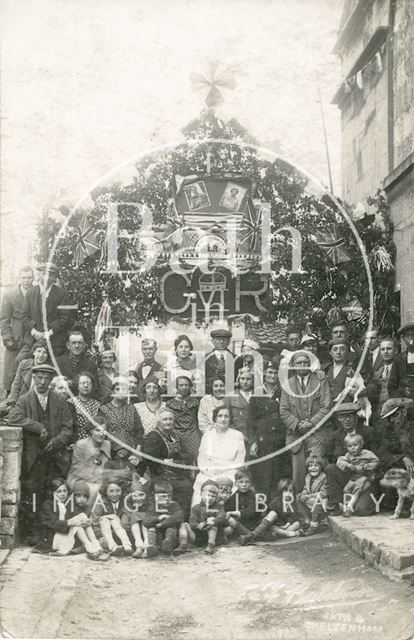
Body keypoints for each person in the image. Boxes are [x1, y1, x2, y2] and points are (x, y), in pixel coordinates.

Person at [7, 363, 73, 542]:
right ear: (34, 378)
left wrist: (56, 441)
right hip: (34, 458)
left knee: (52, 494)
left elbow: (68, 428)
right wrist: (37, 427)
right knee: (33, 494)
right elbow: (13, 417)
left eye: (47, 378)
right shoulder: (25, 400)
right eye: (40, 378)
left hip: (54, 457)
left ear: (51, 381)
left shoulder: (60, 401)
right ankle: (33, 534)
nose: (43, 382)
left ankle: (52, 532)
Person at [280, 351, 331, 492]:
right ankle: (299, 507)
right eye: (299, 363)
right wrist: (297, 424)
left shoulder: (320, 381)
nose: (302, 366)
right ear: (293, 365)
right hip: (296, 436)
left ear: (310, 365)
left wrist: (312, 423)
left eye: (305, 363)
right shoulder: (287, 384)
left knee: (316, 470)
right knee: (298, 475)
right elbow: (283, 410)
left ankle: (317, 506)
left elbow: (326, 406)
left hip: (317, 434)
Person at [138, 409, 193, 519]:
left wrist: (176, 459)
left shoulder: (174, 435)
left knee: (187, 486)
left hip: (177, 474)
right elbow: (149, 459)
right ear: (159, 421)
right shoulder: (153, 436)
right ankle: (167, 520)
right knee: (179, 487)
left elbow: (185, 454)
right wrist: (164, 461)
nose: (168, 422)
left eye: (170, 419)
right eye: (165, 419)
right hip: (160, 475)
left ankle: (182, 520)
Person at [36, 478, 109, 560]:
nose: (62, 494)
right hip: (53, 538)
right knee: (76, 523)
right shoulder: (48, 504)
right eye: (59, 491)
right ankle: (90, 548)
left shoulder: (69, 503)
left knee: (81, 516)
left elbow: (77, 518)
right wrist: (70, 522)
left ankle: (95, 545)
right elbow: (53, 523)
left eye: (64, 491)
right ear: (52, 492)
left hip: (67, 536)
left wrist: (87, 522)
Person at [248, 361, 289, 500]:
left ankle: (275, 510)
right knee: (262, 478)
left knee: (277, 476)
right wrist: (253, 441)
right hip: (262, 442)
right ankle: (262, 511)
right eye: (269, 372)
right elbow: (251, 421)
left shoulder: (283, 392)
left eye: (275, 372)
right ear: (264, 374)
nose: (272, 375)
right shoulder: (257, 393)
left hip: (279, 441)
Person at [193, 405, 246, 503]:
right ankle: (198, 516)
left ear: (230, 419)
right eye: (220, 416)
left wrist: (224, 472)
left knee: (226, 488)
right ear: (215, 418)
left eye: (226, 416)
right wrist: (208, 471)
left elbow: (239, 461)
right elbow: (201, 458)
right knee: (202, 488)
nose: (223, 419)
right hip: (209, 472)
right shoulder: (208, 435)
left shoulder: (237, 435)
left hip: (229, 473)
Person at [20, 262, 72, 360]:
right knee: (20, 360)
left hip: (54, 341)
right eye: (44, 274)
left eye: (51, 274)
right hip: (33, 340)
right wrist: (34, 332)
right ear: (39, 274)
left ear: (55, 277)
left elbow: (64, 318)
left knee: (55, 364)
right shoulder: (31, 292)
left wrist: (48, 334)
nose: (47, 278)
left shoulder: (61, 294)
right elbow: (24, 315)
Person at [0, 265, 34, 393]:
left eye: (29, 277)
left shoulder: (36, 293)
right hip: (16, 336)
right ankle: (10, 395)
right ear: (19, 278)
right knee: (11, 368)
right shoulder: (9, 295)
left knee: (28, 367)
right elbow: (4, 319)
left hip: (31, 335)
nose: (26, 281)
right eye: (23, 278)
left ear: (33, 278)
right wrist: (8, 338)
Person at [66, 415, 112, 499]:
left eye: (104, 431)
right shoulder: (81, 445)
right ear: (91, 431)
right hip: (79, 480)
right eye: (97, 430)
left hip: (100, 479)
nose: (101, 434)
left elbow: (104, 466)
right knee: (95, 491)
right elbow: (78, 470)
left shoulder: (107, 444)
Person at [336, 434, 379, 516]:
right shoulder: (348, 455)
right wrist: (348, 465)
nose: (352, 448)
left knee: (357, 490)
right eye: (349, 446)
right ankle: (346, 505)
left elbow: (376, 461)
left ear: (361, 444)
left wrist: (366, 466)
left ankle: (349, 508)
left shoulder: (367, 453)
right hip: (355, 476)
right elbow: (339, 461)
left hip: (368, 475)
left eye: (355, 445)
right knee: (346, 489)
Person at [91, 478, 133, 556]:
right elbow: (95, 524)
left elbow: (127, 522)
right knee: (104, 519)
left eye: (118, 490)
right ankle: (113, 546)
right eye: (111, 491)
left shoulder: (125, 502)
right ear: (106, 492)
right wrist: (100, 536)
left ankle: (127, 545)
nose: (115, 494)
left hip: (123, 533)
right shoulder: (101, 503)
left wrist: (115, 518)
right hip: (106, 534)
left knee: (113, 519)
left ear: (122, 490)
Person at [100, 377, 144, 452]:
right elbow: (100, 433)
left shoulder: (131, 409)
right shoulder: (103, 409)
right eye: (117, 389)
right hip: (110, 450)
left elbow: (139, 431)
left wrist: (137, 452)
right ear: (113, 391)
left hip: (130, 450)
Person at [142, 480, 184, 556]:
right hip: (158, 535)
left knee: (171, 527)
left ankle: (168, 543)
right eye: (163, 497)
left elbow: (179, 517)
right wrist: (158, 518)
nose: (167, 499)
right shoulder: (153, 507)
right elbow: (145, 521)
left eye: (169, 496)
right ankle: (153, 546)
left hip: (172, 536)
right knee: (151, 528)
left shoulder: (174, 505)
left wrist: (162, 524)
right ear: (155, 497)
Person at [5, 339, 50, 407]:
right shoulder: (24, 364)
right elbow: (16, 385)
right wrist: (12, 402)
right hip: (20, 401)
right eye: (38, 351)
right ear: (34, 352)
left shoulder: (49, 370)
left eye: (45, 352)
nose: (41, 355)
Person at [166, 375, 200, 461]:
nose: (184, 387)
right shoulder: (170, 403)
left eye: (186, 385)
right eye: (181, 385)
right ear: (176, 387)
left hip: (192, 434)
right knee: (177, 459)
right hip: (176, 434)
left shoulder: (195, 402)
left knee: (194, 458)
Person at [188, 480, 227, 554]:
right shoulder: (195, 508)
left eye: (213, 496)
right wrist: (198, 525)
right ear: (201, 494)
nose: (210, 498)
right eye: (208, 495)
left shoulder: (218, 506)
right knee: (186, 525)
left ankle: (211, 544)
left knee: (212, 522)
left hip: (215, 536)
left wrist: (213, 521)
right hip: (201, 535)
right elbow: (192, 523)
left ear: (216, 498)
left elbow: (222, 516)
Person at [377, 398, 414, 476]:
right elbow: (383, 455)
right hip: (398, 474)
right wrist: (403, 458)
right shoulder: (388, 433)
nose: (392, 420)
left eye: (395, 415)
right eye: (389, 418)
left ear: (404, 412)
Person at [223, 468, 262, 539]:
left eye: (247, 482)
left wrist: (234, 513)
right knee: (229, 521)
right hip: (240, 525)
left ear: (251, 483)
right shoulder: (234, 497)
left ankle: (250, 536)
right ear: (236, 483)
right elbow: (226, 509)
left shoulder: (253, 496)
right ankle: (251, 536)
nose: (244, 484)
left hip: (253, 524)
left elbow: (251, 511)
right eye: (241, 482)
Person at [297, 455, 328, 535]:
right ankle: (307, 520)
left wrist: (309, 496)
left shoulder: (324, 477)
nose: (313, 468)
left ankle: (314, 525)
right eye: (310, 466)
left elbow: (323, 493)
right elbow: (305, 489)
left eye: (316, 466)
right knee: (297, 499)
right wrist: (303, 495)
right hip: (310, 499)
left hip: (321, 501)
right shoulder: (308, 477)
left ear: (321, 467)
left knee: (316, 502)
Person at [121, 476, 151, 559]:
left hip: (149, 535)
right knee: (135, 515)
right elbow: (124, 523)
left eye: (141, 495)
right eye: (135, 496)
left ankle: (147, 547)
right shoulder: (128, 506)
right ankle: (139, 547)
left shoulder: (150, 505)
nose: (138, 499)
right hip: (133, 535)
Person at [365, 337, 396, 415]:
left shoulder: (401, 369)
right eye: (382, 349)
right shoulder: (378, 372)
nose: (385, 352)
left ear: (395, 351)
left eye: (389, 349)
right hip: (379, 415)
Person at [68, 371, 101, 441]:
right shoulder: (70, 402)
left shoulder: (97, 404)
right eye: (82, 383)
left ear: (92, 386)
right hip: (76, 440)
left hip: (93, 441)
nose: (86, 386)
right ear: (77, 386)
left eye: (89, 383)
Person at [388, 323, 414, 409]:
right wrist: (401, 401)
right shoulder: (398, 359)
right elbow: (392, 385)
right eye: (408, 336)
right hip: (403, 404)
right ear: (403, 338)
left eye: (413, 335)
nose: (411, 339)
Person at [226, 368, 254, 442]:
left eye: (248, 379)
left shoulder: (257, 396)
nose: (245, 382)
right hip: (236, 437)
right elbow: (226, 419)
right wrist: (237, 435)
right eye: (242, 378)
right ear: (238, 379)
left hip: (255, 438)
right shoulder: (230, 396)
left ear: (253, 380)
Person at [204, 328, 235, 393]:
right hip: (211, 393)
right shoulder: (205, 359)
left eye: (224, 339)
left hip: (231, 394)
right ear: (212, 341)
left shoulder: (237, 359)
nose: (221, 342)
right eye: (218, 339)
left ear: (229, 341)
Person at [324, 338, 353, 402]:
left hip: (346, 409)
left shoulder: (353, 369)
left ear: (348, 352)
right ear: (330, 352)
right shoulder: (325, 369)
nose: (338, 352)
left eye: (342, 349)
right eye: (335, 349)